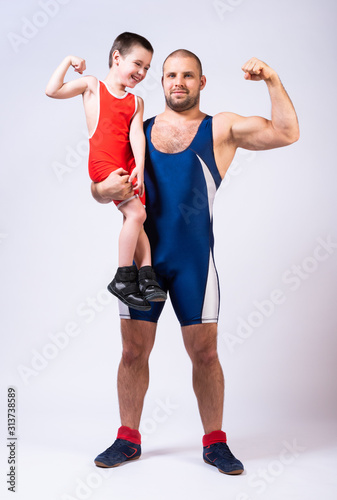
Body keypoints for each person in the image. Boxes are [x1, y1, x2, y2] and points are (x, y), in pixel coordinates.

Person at [91, 51, 300, 475]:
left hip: (194, 264)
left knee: (205, 354)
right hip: (142, 263)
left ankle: (215, 443)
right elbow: (99, 187)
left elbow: (286, 132)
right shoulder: (138, 131)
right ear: (161, 82)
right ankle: (128, 439)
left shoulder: (219, 129)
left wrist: (272, 79)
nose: (178, 82)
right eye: (170, 75)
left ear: (202, 82)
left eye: (188, 75)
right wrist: (101, 189)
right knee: (133, 351)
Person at [45, 32, 167, 311]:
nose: (142, 72)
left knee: (136, 219)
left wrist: (139, 165)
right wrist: (68, 60)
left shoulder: (136, 102)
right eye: (138, 64)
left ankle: (146, 277)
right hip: (104, 164)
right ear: (116, 57)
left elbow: (137, 134)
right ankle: (124, 277)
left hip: (128, 164)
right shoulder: (92, 86)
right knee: (137, 214)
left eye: (147, 68)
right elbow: (52, 91)